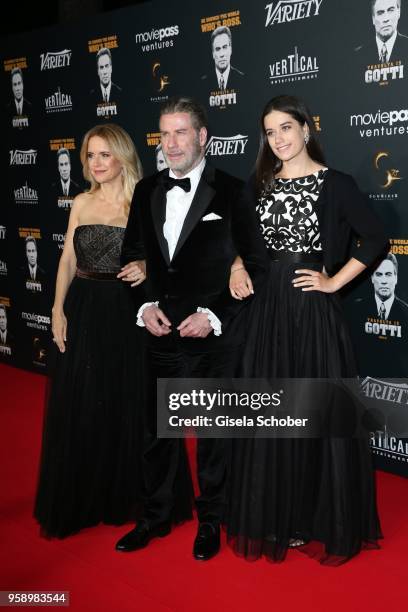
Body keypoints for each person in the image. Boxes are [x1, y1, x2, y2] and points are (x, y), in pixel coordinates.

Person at [226, 94, 388, 565]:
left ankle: (318, 518)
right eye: (269, 132)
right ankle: (282, 516)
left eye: (285, 129)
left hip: (312, 313)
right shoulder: (258, 185)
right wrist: (237, 267)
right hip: (267, 312)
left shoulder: (335, 184)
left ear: (306, 128)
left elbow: (375, 236)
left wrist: (334, 280)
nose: (277, 139)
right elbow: (242, 240)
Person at [116, 96, 266, 560]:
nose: (172, 143)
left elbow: (257, 262)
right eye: (165, 134)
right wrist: (144, 309)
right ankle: (155, 516)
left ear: (203, 137)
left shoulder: (233, 190)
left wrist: (214, 314)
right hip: (160, 329)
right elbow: (131, 256)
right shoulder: (146, 190)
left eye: (181, 132)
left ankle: (212, 521)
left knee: (212, 435)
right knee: (157, 431)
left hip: (213, 334)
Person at [34, 123, 146, 538]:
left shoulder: (142, 201)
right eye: (90, 155)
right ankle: (81, 494)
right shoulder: (80, 201)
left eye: (104, 155)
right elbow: (66, 258)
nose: (96, 163)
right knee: (81, 401)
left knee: (120, 399)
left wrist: (146, 267)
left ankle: (119, 494)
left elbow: (159, 257)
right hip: (82, 305)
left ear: (122, 157)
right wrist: (57, 307)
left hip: (124, 310)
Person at [201, 26, 244, 90]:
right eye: (218, 49)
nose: (222, 54)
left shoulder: (243, 81)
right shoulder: (202, 84)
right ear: (213, 53)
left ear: (230, 49)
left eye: (225, 47)